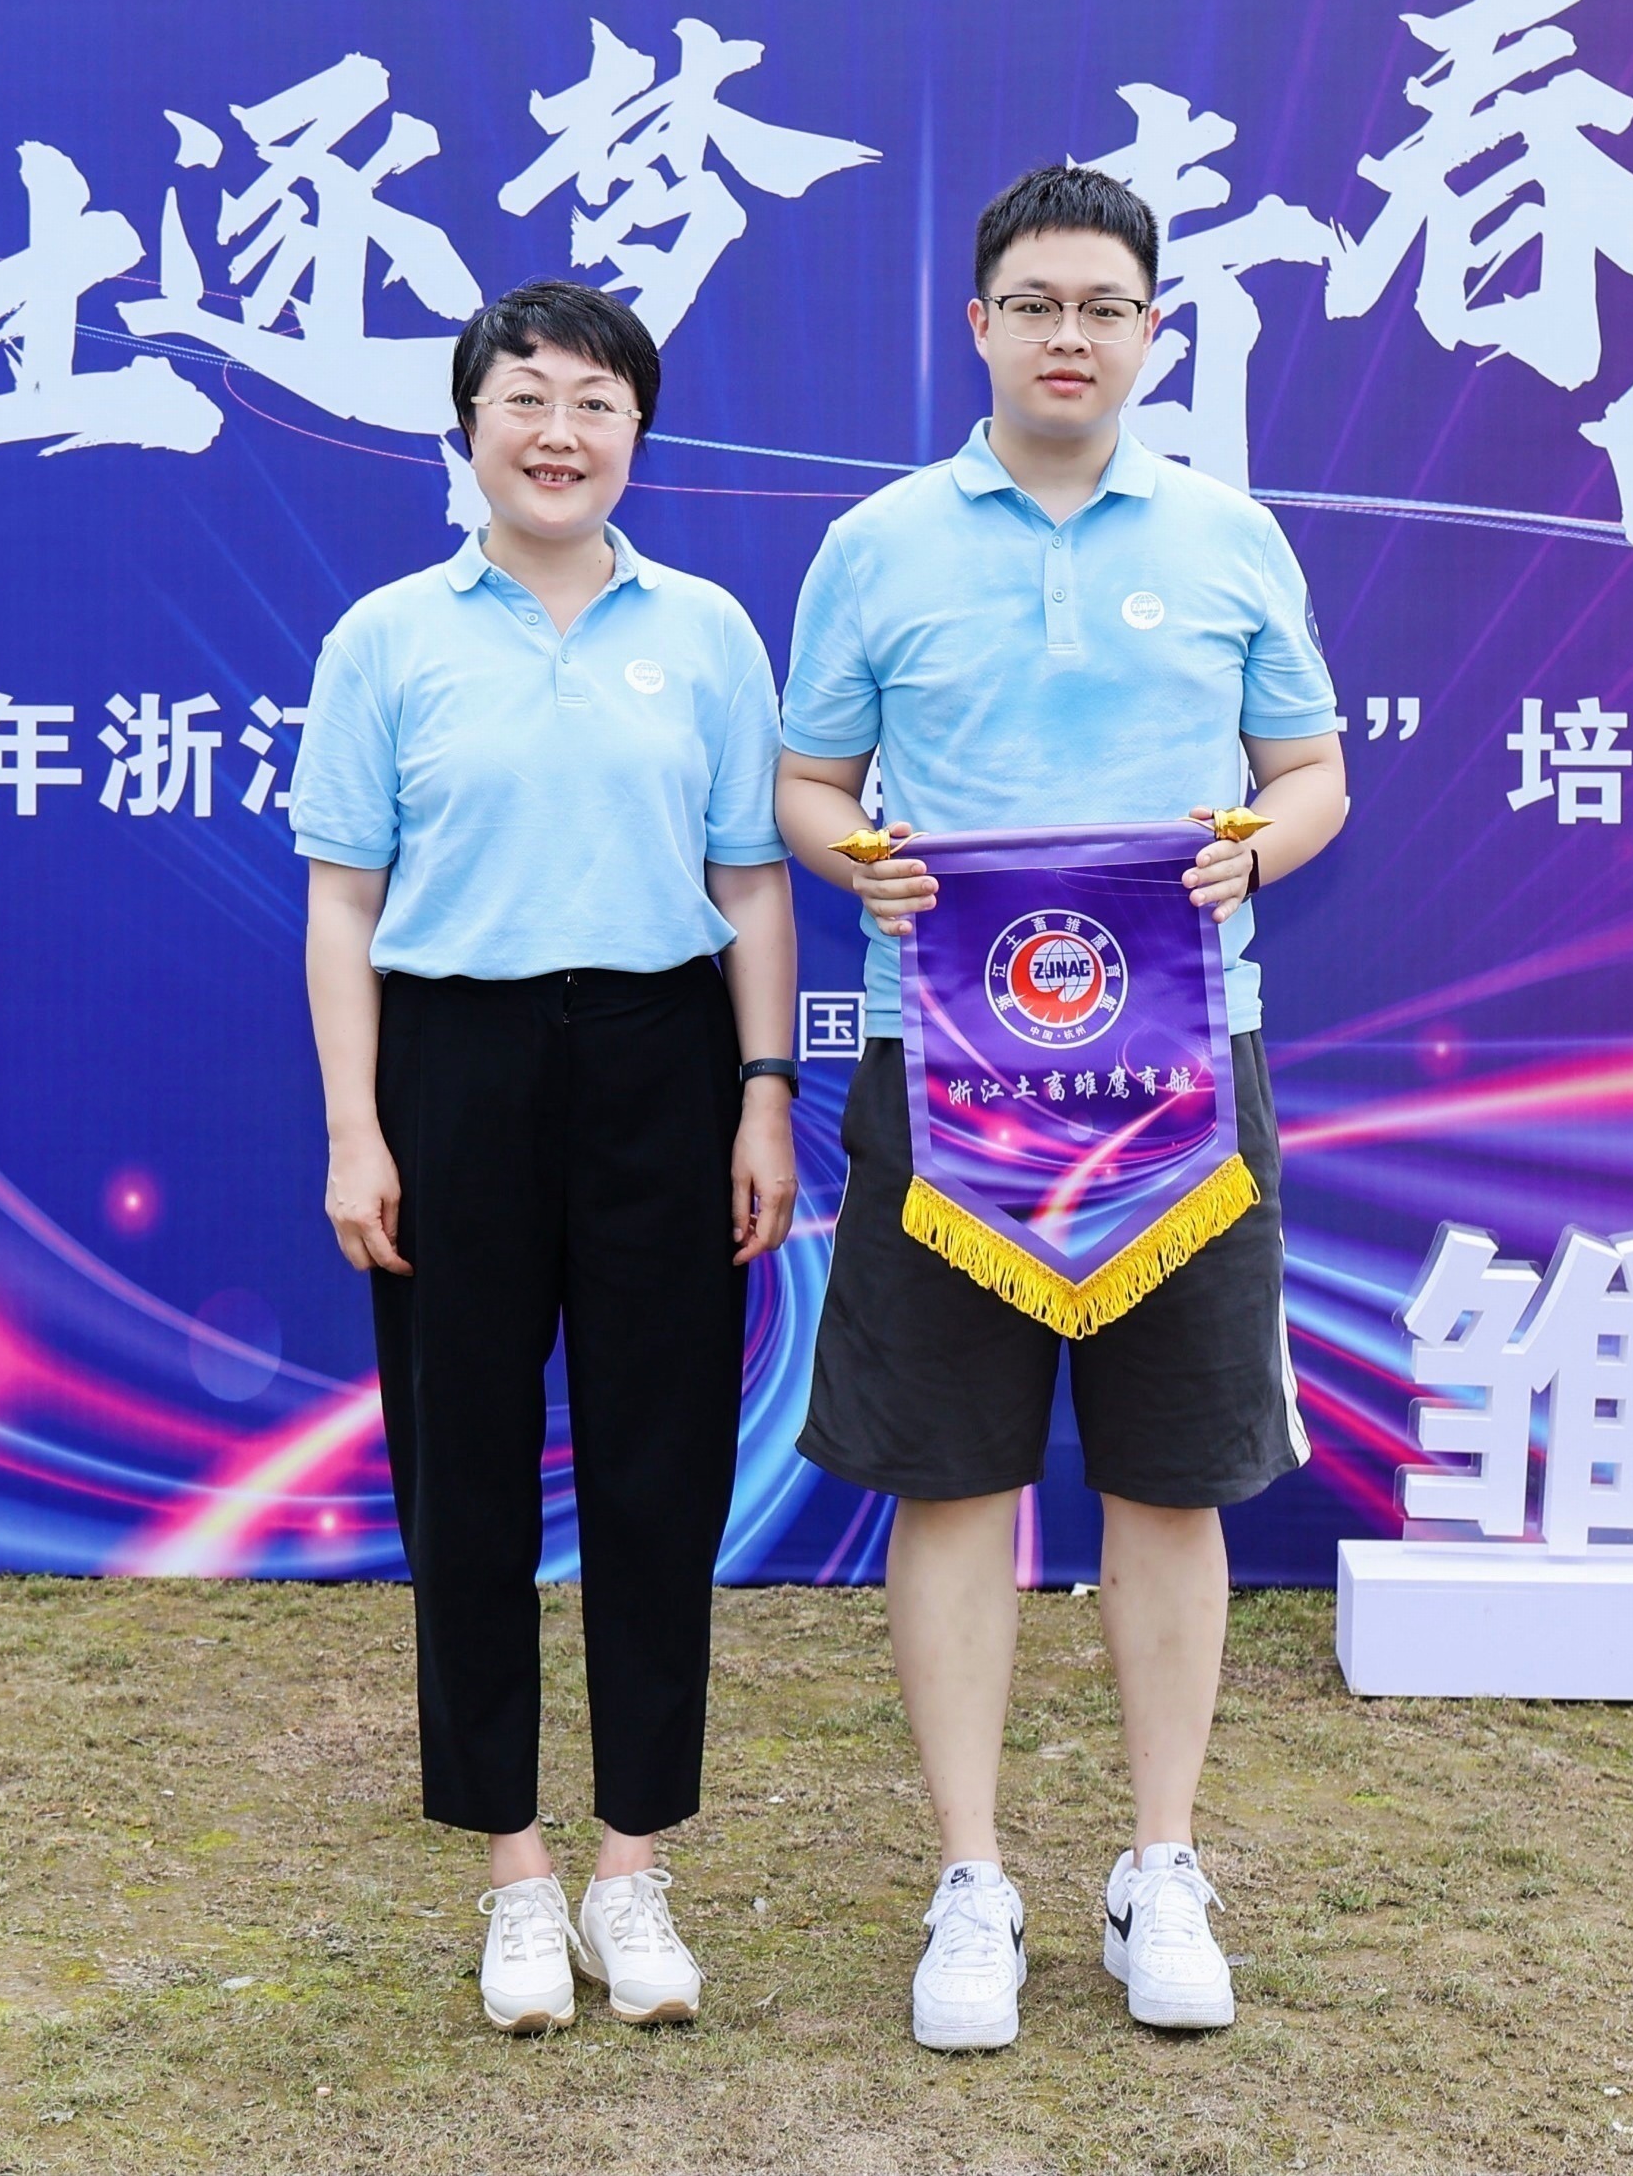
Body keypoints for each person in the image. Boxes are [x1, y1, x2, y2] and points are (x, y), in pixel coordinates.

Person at [774, 166, 1347, 2049]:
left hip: (1181, 1082)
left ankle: (1159, 1864)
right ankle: (972, 1879)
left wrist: (1257, 849)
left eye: (1106, 306)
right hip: (947, 1086)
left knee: (1173, 1476)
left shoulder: (1230, 535)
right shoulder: (878, 545)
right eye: (1036, 304)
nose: (1071, 336)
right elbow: (806, 785)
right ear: (980, 326)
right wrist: (861, 859)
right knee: (954, 1473)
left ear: (1153, 330)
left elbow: (1312, 773)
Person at [291, 279, 801, 2035]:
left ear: (637, 435)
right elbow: (343, 902)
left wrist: (761, 1092)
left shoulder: (708, 634)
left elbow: (752, 882)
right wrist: (357, 1127)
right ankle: (513, 1874)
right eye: (525, 397)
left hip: (664, 1060)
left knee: (663, 1466)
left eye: (595, 402)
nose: (558, 432)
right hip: (454, 1066)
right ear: (468, 426)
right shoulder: (388, 640)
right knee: (466, 1473)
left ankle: (631, 1867)